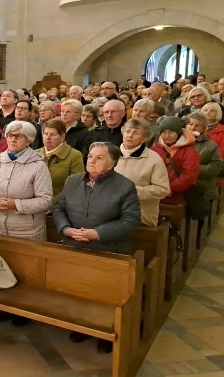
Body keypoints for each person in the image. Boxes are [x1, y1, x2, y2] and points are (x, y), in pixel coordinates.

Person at [53, 142, 141, 353]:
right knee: (80, 290)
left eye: (98, 158)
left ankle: (108, 332)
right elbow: (58, 207)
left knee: (107, 295)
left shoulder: (125, 186)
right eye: (90, 156)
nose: (91, 160)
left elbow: (131, 220)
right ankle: (83, 326)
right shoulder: (73, 180)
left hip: (108, 249)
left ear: (112, 164)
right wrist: (65, 229)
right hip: (75, 246)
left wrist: (98, 233)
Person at [0, 120, 53, 240]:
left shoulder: (38, 165)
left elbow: (46, 200)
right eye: (9, 135)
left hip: (27, 233)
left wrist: (16, 205)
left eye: (18, 136)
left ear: (29, 140)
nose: (12, 139)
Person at [114, 119, 170, 226]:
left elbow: (163, 189)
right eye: (128, 131)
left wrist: (132, 192)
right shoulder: (111, 154)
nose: (130, 135)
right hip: (110, 212)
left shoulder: (154, 159)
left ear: (144, 138)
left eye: (136, 133)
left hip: (140, 215)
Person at [35, 119, 84, 202]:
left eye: (53, 135)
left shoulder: (74, 155)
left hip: (61, 205)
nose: (48, 137)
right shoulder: (35, 154)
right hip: (35, 205)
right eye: (45, 134)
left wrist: (51, 202)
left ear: (62, 137)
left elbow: (75, 186)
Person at [150, 117, 200, 198]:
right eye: (164, 132)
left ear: (178, 132)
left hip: (182, 193)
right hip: (157, 191)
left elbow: (189, 175)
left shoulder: (189, 151)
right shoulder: (156, 147)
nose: (167, 136)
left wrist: (171, 188)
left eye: (171, 132)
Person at [185, 113, 223, 204]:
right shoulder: (176, 141)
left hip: (200, 185)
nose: (193, 127)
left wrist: (192, 169)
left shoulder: (211, 146)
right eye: (190, 124)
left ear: (203, 129)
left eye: (197, 125)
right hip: (179, 184)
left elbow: (215, 168)